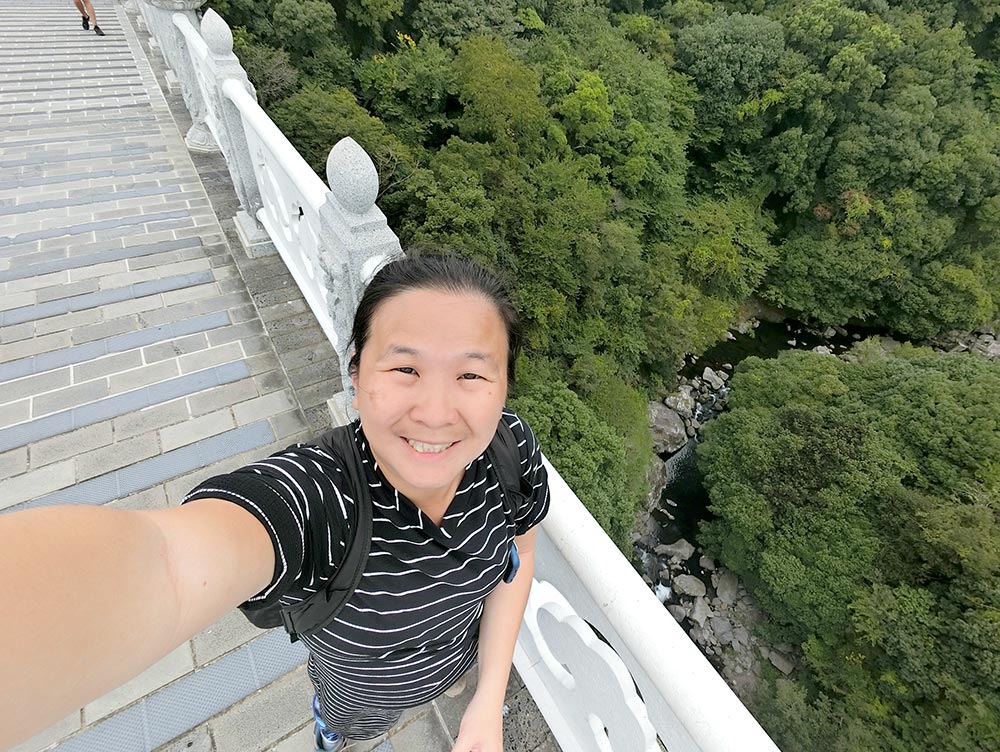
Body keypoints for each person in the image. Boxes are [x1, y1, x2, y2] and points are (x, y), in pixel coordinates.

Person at [0, 254, 549, 752]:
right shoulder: (323, 499)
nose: (435, 411)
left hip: (455, 660)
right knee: (343, 736)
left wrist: (487, 694)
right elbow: (168, 564)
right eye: (405, 368)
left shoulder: (509, 450)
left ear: (504, 388)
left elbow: (518, 558)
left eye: (471, 374)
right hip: (355, 699)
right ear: (355, 375)